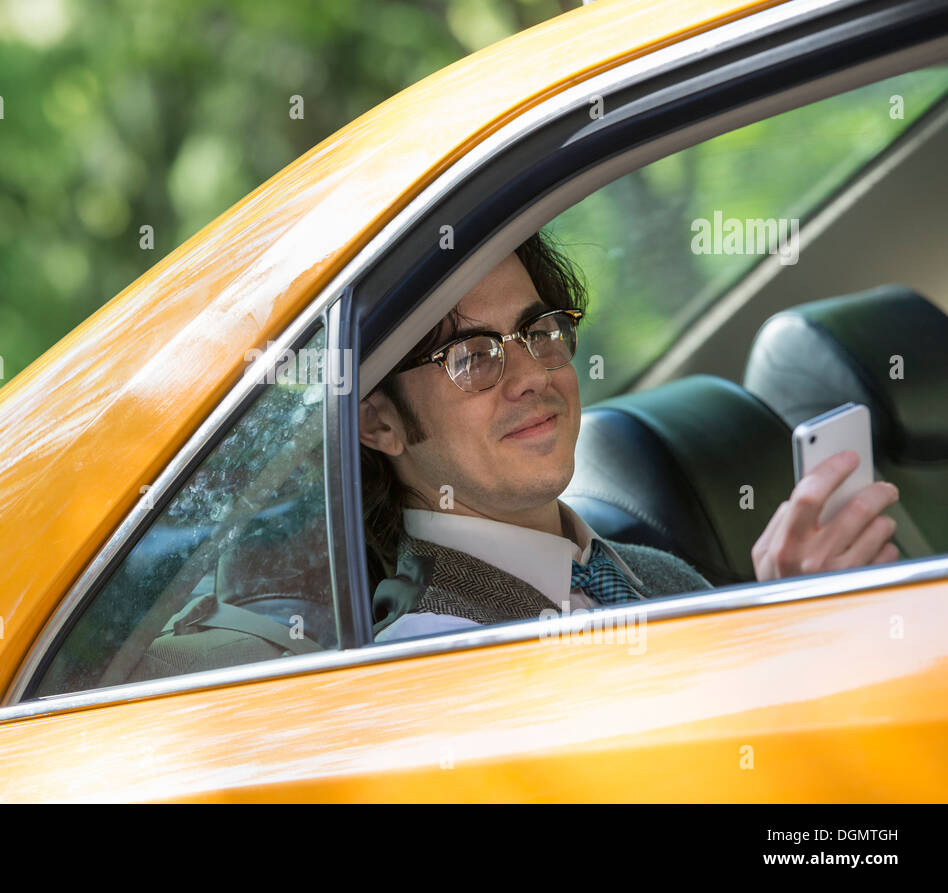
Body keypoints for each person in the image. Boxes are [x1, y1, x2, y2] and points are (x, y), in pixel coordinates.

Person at [359, 232, 901, 642]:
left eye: (540, 331)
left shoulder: (659, 574)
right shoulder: (434, 653)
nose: (533, 377)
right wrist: (793, 629)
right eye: (472, 356)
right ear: (379, 423)